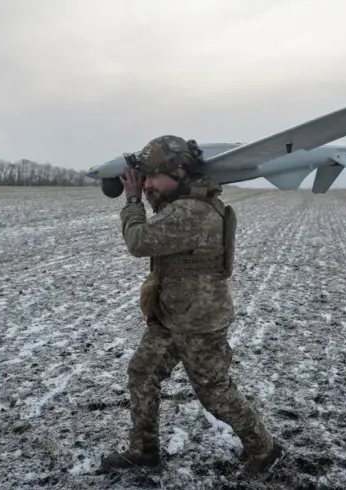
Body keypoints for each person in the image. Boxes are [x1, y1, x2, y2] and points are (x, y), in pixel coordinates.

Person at [101, 135, 284, 477]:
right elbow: (162, 212)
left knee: (214, 393)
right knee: (143, 373)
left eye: (153, 176)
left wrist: (132, 200)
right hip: (173, 315)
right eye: (145, 177)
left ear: (181, 171)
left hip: (199, 321)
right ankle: (144, 451)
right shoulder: (187, 201)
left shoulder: (192, 211)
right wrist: (147, 189)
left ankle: (266, 449)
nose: (148, 183)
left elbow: (138, 241)